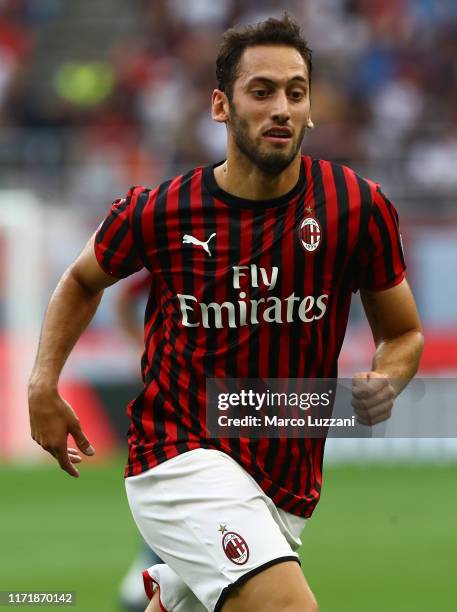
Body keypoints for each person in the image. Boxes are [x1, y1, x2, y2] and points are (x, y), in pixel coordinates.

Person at [28, 14, 424, 612]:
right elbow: (83, 279)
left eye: (296, 92)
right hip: (178, 455)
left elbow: (405, 332)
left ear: (313, 107)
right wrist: (43, 381)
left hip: (286, 477)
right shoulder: (160, 211)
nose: (282, 108)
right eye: (261, 91)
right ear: (221, 105)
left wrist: (388, 377)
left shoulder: (355, 206)